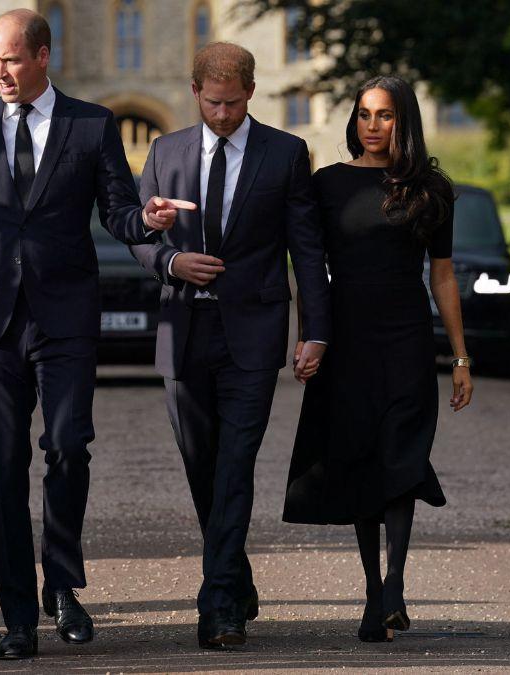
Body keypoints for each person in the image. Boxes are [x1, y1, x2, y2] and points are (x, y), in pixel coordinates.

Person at [0, 8, 190, 660]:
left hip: (65, 315)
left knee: (68, 445)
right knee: (0, 468)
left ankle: (62, 582)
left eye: (10, 59)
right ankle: (17, 616)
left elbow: (117, 207)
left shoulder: (91, 125)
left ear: (41, 56)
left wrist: (147, 219)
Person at [128, 42, 330, 650]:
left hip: (253, 334)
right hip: (183, 331)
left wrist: (315, 329)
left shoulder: (286, 153)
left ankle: (218, 606)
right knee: (203, 468)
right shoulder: (164, 151)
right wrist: (168, 258)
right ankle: (236, 577)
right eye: (213, 102)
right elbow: (137, 232)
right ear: (195, 93)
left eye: (234, 103)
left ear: (251, 92)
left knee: (236, 466)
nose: (222, 114)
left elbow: (307, 248)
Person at [282, 75, 473, 643]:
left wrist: (460, 357)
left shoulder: (431, 189)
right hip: (347, 340)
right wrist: (309, 336)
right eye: (364, 114)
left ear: (403, 121)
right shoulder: (327, 185)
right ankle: (372, 592)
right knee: (360, 458)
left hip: (407, 339)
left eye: (384, 115)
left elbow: (442, 275)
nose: (372, 125)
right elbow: (306, 267)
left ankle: (396, 584)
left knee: (401, 457)